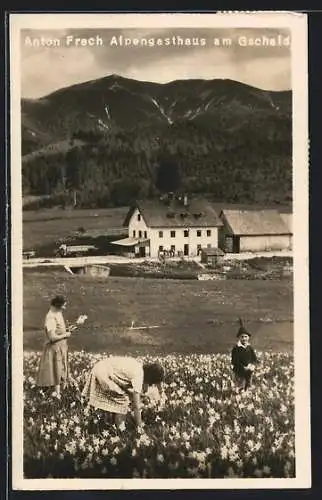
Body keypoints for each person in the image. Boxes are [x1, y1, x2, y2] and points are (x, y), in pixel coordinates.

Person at [82, 356, 165, 429]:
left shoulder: (139, 367)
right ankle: (120, 429)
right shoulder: (139, 376)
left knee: (121, 398)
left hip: (101, 368)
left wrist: (160, 392)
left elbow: (125, 385)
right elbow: (136, 406)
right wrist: (139, 427)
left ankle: (99, 423)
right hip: (103, 373)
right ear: (150, 378)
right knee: (123, 401)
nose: (151, 385)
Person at [36, 295, 71, 397]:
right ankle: (56, 396)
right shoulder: (51, 317)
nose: (65, 306)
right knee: (55, 372)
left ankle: (58, 394)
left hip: (60, 348)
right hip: (54, 349)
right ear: (58, 305)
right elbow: (52, 338)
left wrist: (67, 330)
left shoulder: (58, 313)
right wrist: (66, 335)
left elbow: (59, 331)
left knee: (59, 371)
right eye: (64, 304)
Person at [231, 319, 258, 391]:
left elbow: (254, 358)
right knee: (240, 386)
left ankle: (245, 395)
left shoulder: (250, 348)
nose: (244, 339)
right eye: (242, 337)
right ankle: (239, 396)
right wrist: (243, 367)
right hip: (239, 371)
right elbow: (234, 361)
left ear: (248, 337)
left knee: (248, 384)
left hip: (249, 371)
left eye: (246, 337)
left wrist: (252, 365)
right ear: (239, 338)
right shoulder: (236, 349)